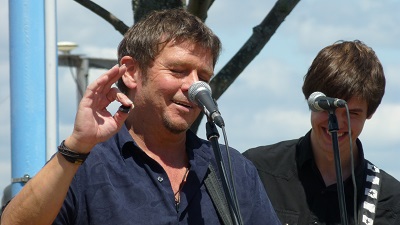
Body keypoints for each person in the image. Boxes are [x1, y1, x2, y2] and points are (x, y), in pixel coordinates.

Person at [1, 9, 281, 225]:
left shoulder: (233, 169)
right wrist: (76, 146)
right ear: (132, 72)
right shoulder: (86, 164)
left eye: (204, 76)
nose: (196, 88)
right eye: (179, 71)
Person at [243, 40, 400, 225]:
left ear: (370, 113)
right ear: (311, 101)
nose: (337, 123)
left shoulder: (391, 200)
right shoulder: (255, 169)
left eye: (352, 114)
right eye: (328, 108)